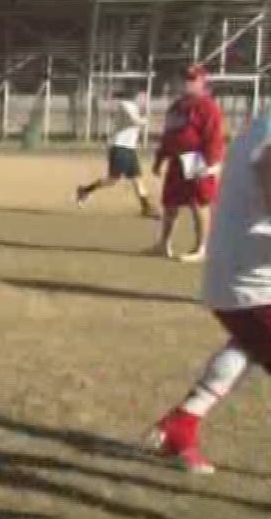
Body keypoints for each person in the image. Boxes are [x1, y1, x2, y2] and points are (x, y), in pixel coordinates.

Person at [141, 110, 271, 478]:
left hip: (251, 273)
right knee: (250, 339)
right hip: (251, 280)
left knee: (247, 345)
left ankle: (181, 425)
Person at [151, 65, 227, 261]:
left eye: (192, 79)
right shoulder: (176, 107)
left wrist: (209, 164)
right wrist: (160, 159)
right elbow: (168, 135)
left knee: (199, 203)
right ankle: (163, 243)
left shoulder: (208, 106)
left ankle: (201, 247)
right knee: (170, 203)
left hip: (197, 159)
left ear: (202, 82)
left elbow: (214, 137)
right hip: (177, 160)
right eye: (184, 78)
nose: (187, 83)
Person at [76, 89, 155, 216]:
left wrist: (144, 118)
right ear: (136, 96)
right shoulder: (126, 105)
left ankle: (146, 207)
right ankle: (85, 190)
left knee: (137, 178)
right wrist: (146, 120)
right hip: (120, 147)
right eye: (143, 97)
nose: (145, 101)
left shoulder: (134, 108)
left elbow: (137, 121)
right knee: (112, 180)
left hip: (129, 149)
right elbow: (135, 121)